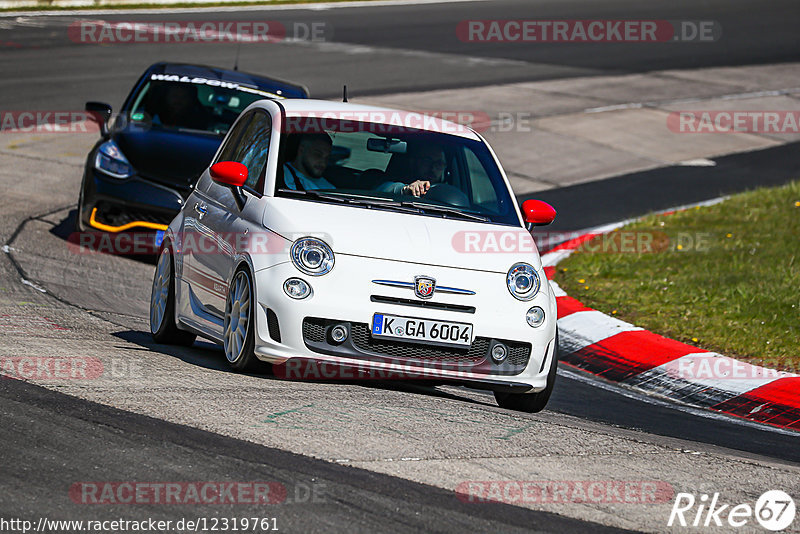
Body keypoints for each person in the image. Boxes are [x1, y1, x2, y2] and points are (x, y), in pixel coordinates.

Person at [377, 144, 447, 197]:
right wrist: (405, 190)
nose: (433, 168)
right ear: (413, 162)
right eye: (427, 161)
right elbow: (383, 189)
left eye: (439, 164)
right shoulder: (381, 181)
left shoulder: (446, 194)